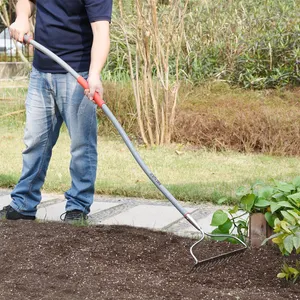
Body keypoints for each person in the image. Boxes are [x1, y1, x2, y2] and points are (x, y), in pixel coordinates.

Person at [0, 0, 112, 222]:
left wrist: (95, 74)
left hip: (77, 75)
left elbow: (101, 31)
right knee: (35, 142)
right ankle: (23, 204)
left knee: (82, 146)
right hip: (41, 71)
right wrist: (22, 17)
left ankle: (77, 207)